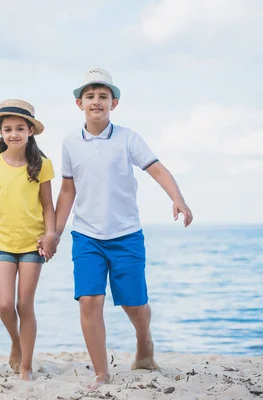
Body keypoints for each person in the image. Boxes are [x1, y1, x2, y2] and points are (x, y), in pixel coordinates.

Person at [51, 68, 193, 389]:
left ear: (113, 103)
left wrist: (178, 199)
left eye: (103, 96)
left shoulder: (128, 137)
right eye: (90, 96)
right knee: (89, 300)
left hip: (126, 235)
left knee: (134, 303)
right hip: (86, 236)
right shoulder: (71, 142)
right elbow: (68, 190)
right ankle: (102, 372)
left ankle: (144, 341)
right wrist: (55, 232)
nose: (96, 102)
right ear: (79, 104)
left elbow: (156, 169)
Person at [0, 99, 56, 381]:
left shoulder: (42, 165)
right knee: (5, 305)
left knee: (24, 305)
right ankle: (17, 343)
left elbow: (48, 206)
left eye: (19, 128)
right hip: (2, 242)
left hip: (33, 244)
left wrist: (51, 234)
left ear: (30, 131)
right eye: (8, 129)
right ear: (1, 133)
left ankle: (26, 366)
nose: (13, 134)